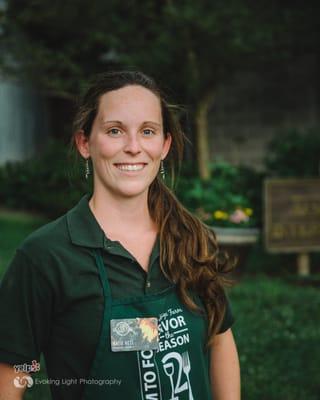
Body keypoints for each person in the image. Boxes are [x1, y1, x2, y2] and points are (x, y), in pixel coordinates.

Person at [0, 71, 240, 399]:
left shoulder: (189, 238)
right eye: (115, 131)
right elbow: (15, 371)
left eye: (148, 131)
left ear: (165, 144)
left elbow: (219, 338)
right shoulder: (45, 256)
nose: (133, 147)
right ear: (85, 143)